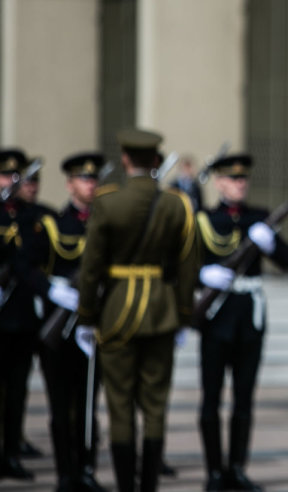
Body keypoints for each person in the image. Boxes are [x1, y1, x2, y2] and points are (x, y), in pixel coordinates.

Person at [76, 129, 201, 492]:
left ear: (126, 160)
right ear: (157, 162)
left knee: (120, 406)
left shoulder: (108, 201)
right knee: (155, 406)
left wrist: (86, 315)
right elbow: (187, 266)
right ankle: (149, 486)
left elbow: (91, 266)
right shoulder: (176, 204)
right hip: (162, 311)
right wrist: (183, 314)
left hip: (117, 311)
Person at [195, 154, 288, 491]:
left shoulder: (259, 217)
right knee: (210, 398)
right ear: (219, 182)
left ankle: (237, 468)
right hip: (215, 317)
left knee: (244, 399)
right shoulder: (204, 219)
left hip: (249, 318)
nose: (239, 184)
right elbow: (184, 264)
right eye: (232, 179)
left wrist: (271, 243)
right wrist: (201, 274)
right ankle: (213, 472)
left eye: (243, 179)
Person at [31, 153, 109, 491]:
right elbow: (24, 266)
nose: (89, 185)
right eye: (83, 179)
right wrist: (52, 289)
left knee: (89, 405)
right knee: (61, 407)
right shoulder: (52, 225)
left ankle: (87, 471)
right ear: (70, 184)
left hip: (94, 328)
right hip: (58, 329)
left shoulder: (107, 225)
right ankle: (66, 474)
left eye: (93, 180)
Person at [0, 148, 46, 480]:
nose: (11, 182)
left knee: (17, 388)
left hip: (21, 316)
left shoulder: (32, 217)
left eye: (15, 177)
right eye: (4, 175)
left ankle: (11, 450)